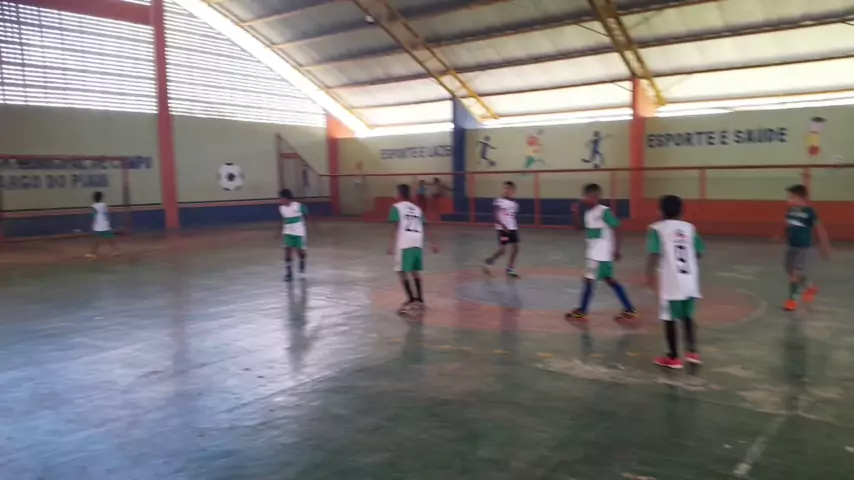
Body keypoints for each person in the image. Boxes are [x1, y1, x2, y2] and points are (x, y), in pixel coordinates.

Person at [646, 195, 704, 369]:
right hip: (690, 279)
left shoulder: (656, 229)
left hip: (671, 281)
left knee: (669, 318)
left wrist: (649, 274)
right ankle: (692, 353)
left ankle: (672, 357)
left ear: (660, 211)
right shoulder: (690, 228)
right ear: (682, 211)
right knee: (688, 316)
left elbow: (654, 253)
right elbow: (699, 252)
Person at [566, 183, 637, 321]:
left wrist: (616, 249)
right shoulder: (588, 213)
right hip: (594, 253)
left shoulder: (603, 211)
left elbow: (618, 227)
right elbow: (577, 228)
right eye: (585, 196)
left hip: (599, 254)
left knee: (589, 279)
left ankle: (582, 310)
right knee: (609, 280)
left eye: (588, 196)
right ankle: (629, 309)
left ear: (595, 196)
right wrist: (575, 213)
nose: (585, 199)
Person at [387, 184, 438, 314]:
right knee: (415, 271)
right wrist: (433, 243)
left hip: (405, 242)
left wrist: (391, 244)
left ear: (399, 194)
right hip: (417, 241)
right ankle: (419, 299)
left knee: (401, 271)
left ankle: (410, 300)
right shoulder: (417, 209)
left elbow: (396, 226)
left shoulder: (396, 207)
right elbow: (425, 226)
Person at [783, 184, 831, 311]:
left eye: (791, 197)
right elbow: (788, 227)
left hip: (804, 248)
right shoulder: (790, 211)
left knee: (795, 274)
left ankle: (792, 300)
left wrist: (825, 246)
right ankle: (810, 287)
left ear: (799, 197)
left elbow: (820, 229)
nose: (788, 200)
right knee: (791, 272)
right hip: (791, 247)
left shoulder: (809, 212)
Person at [483, 181, 520, 278]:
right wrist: (504, 226)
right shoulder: (499, 201)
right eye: (505, 188)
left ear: (513, 190)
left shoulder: (514, 203)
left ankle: (510, 268)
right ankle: (488, 263)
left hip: (512, 228)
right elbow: (496, 215)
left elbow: (511, 216)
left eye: (508, 188)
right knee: (503, 250)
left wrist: (512, 226)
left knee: (516, 248)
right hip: (503, 230)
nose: (506, 190)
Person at [279, 188, 309, 282]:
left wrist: (303, 226)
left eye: (281, 198)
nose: (280, 200)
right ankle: (289, 273)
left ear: (287, 198)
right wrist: (281, 230)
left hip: (299, 232)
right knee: (287, 252)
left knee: (300, 252)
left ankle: (302, 260)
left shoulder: (298, 206)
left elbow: (306, 215)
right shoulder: (281, 208)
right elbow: (284, 219)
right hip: (288, 232)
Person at [85, 191, 119, 258]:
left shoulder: (94, 206)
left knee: (96, 240)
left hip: (98, 225)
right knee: (109, 238)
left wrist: (93, 224)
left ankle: (93, 253)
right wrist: (107, 221)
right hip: (105, 224)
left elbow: (94, 216)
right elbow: (107, 214)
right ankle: (115, 251)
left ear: (94, 198)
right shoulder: (104, 205)